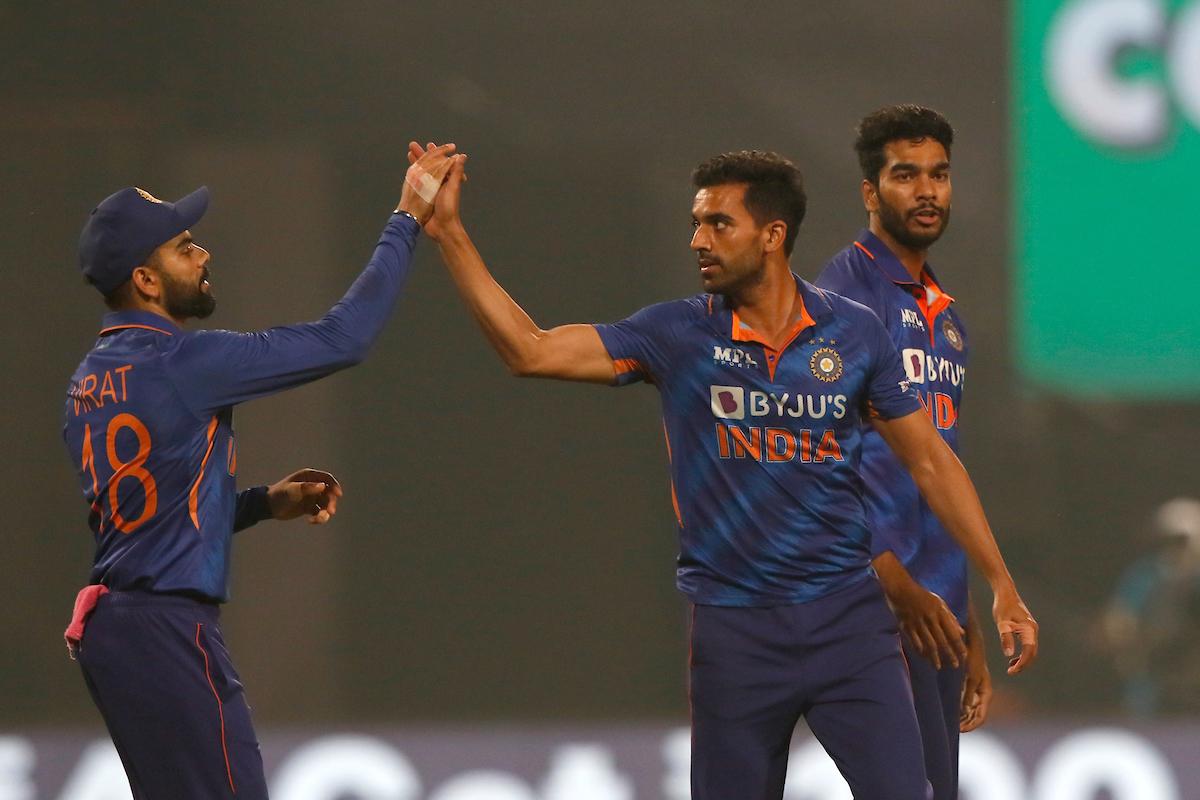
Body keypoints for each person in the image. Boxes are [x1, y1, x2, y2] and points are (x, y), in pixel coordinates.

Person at [417, 143, 1038, 799]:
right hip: (736, 636)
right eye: (696, 222)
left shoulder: (854, 334)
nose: (698, 240)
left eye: (718, 223)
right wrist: (450, 233)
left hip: (849, 626)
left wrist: (1001, 583)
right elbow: (530, 350)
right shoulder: (676, 335)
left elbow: (930, 459)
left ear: (772, 236)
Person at [61, 143, 456, 799]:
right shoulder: (188, 363)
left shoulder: (88, 380)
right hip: (169, 632)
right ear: (147, 281)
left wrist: (264, 502)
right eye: (184, 246)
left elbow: (151, 519)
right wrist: (406, 216)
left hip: (117, 634)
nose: (203, 254)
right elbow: (343, 338)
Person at [814, 105, 987, 799]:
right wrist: (893, 580)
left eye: (939, 175)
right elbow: (817, 459)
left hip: (937, 607)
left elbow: (939, 467)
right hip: (878, 603)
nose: (926, 191)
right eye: (905, 174)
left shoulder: (946, 318)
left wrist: (965, 616)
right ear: (869, 191)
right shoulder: (841, 300)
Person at [1100, 497, 1200, 717]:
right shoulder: (1146, 575)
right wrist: (1132, 645)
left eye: (1184, 540)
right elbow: (1118, 621)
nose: (1178, 547)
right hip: (1153, 677)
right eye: (1172, 540)